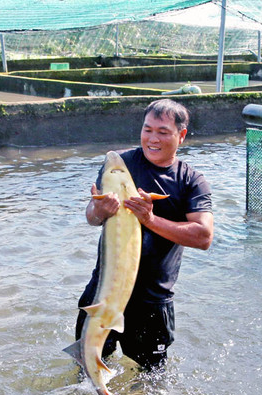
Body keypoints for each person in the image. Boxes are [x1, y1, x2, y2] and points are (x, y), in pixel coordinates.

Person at [76, 98, 213, 370]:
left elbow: (203, 236)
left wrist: (149, 219)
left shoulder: (191, 181)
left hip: (153, 301)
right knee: (86, 369)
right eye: (147, 129)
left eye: (162, 132)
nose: (152, 139)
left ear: (181, 135)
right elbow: (92, 217)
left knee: (151, 382)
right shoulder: (120, 165)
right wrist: (100, 209)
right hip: (103, 292)